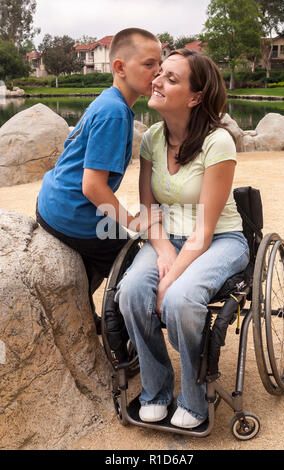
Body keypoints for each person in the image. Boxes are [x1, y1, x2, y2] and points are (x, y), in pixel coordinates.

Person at [115, 49, 250, 429]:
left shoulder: (218, 143)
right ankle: (156, 390)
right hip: (166, 235)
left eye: (171, 78)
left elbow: (204, 231)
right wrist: (162, 251)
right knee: (131, 293)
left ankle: (193, 397)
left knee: (178, 300)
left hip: (220, 239)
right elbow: (149, 210)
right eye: (160, 74)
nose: (156, 80)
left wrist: (170, 278)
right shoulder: (152, 139)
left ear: (194, 97)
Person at [36, 28, 162, 333]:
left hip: (51, 202)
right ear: (119, 68)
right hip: (72, 214)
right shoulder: (116, 114)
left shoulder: (109, 102)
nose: (158, 72)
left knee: (115, 242)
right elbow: (92, 186)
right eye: (149, 65)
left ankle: (86, 309)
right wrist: (131, 222)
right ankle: (119, 334)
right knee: (137, 261)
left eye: (160, 64)